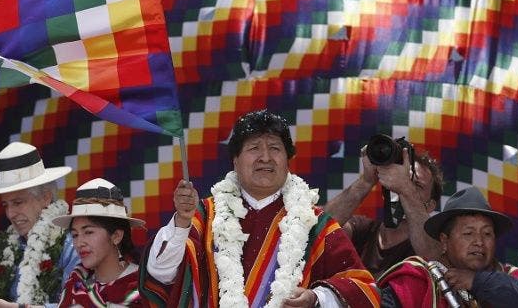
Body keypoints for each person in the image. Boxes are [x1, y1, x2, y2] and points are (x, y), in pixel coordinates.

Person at [141, 109, 380, 307]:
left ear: (288, 161)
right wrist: (182, 222)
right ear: (235, 161)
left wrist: (316, 298)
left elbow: (362, 288)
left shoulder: (314, 224)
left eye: (275, 148)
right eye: (254, 148)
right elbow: (160, 274)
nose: (265, 157)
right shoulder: (204, 216)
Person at [0, 142, 80, 308]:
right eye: (5, 205)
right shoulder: (6, 248)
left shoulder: (73, 245)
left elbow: (79, 305)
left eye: (18, 202)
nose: (10, 214)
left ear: (46, 198)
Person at [379, 186, 518, 307]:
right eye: (468, 233)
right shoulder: (415, 281)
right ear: (444, 241)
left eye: (487, 234)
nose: (479, 241)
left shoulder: (512, 278)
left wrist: (477, 281)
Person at [324, 143, 443, 278]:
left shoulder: (434, 243)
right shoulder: (364, 229)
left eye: (417, 185)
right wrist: (367, 180)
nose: (402, 186)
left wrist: (406, 189)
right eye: (402, 180)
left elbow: (433, 258)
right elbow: (321, 227)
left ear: (431, 205)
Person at [52, 178, 146, 307]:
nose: (79, 243)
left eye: (88, 232)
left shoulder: (143, 286)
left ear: (116, 236)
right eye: (74, 235)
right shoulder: (75, 284)